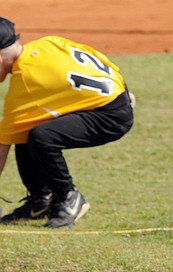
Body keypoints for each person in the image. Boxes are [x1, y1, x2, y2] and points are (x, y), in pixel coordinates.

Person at [0, 17, 135, 229]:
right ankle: (41, 200)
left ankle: (68, 197)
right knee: (26, 130)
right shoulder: (48, 43)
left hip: (108, 116)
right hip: (116, 98)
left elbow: (2, 146)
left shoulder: (24, 81)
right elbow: (96, 58)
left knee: (42, 136)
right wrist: (125, 92)